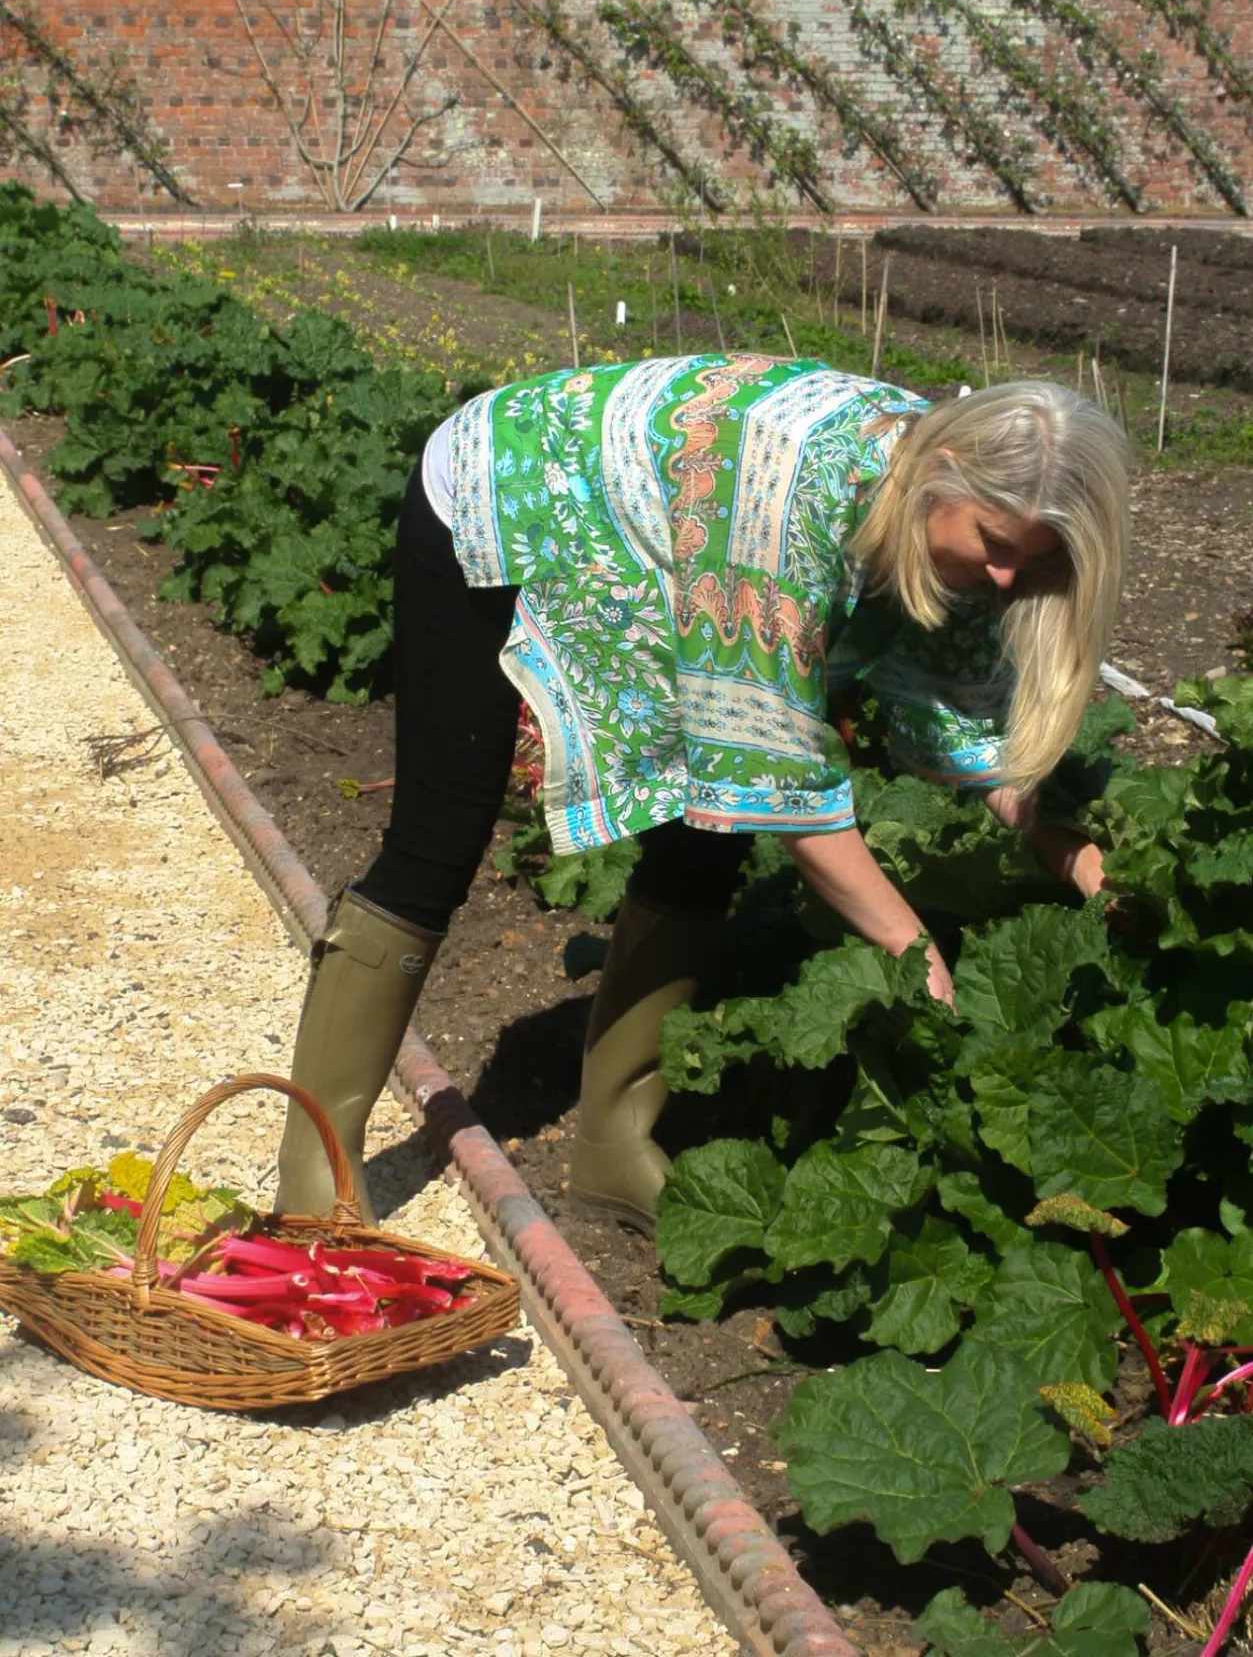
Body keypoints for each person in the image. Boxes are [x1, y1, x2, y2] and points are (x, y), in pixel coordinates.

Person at [273, 353, 1129, 1234]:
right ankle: (313, 1177)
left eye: (1033, 560)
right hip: (511, 492)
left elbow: (975, 732)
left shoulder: (970, 523)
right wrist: (919, 955)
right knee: (440, 840)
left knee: (707, 835)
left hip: (682, 528)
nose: (1006, 580)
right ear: (940, 474)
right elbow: (777, 784)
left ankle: (614, 1147)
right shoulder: (789, 496)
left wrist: (1075, 855)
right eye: (994, 546)